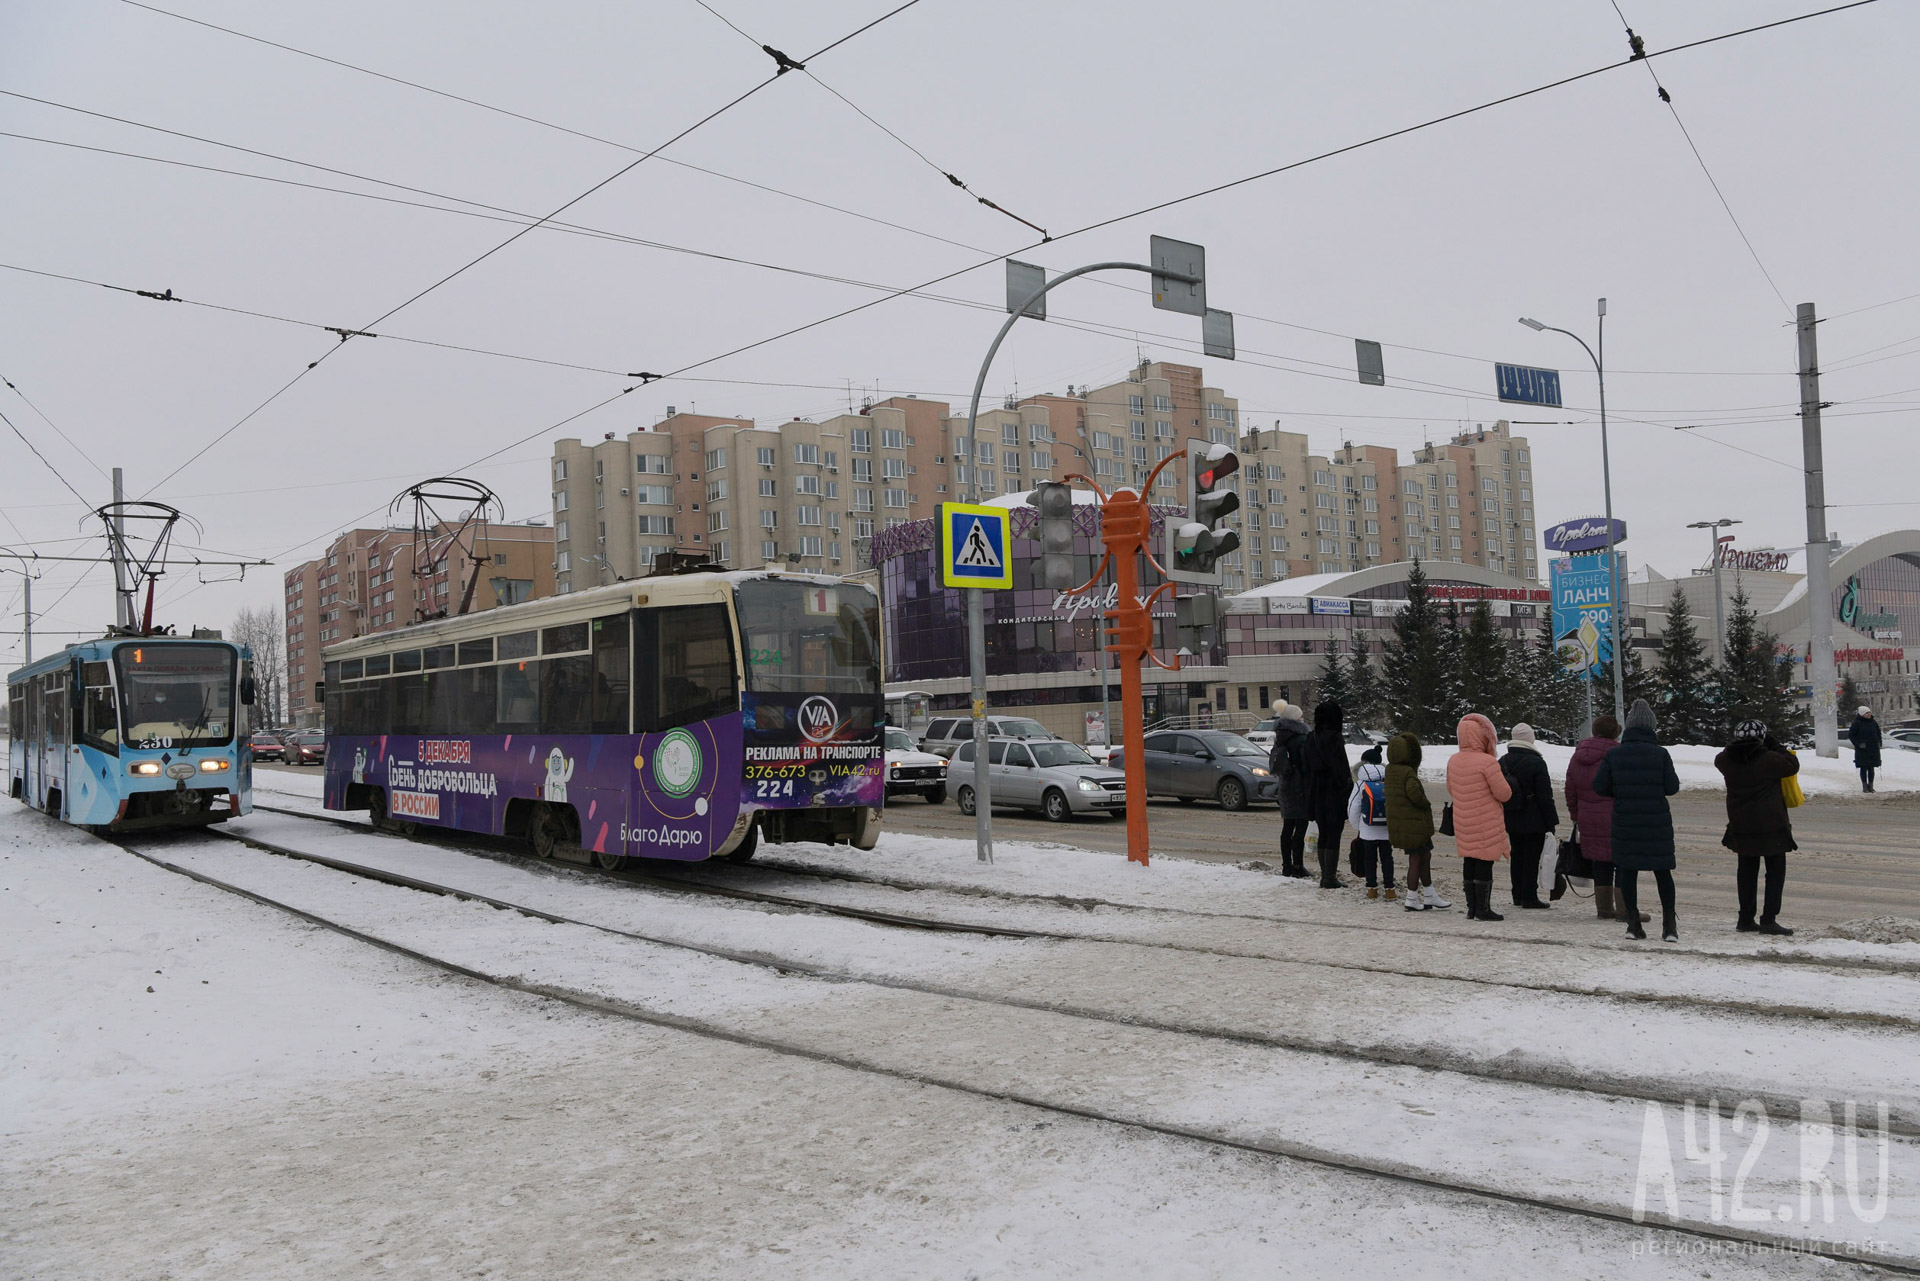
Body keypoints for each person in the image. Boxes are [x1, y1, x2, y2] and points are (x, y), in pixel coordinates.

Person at [1593, 699, 1682, 942]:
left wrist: (1621, 791)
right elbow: (1672, 787)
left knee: (1627, 872)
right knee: (1663, 873)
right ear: (1651, 727)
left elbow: (1599, 786)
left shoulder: (1614, 754)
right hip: (1657, 823)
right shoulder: (1661, 753)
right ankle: (1669, 927)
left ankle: (1633, 925)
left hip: (1625, 821)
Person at [1715, 720, 1799, 935]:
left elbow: (1722, 756)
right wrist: (1773, 743)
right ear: (1762, 738)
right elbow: (1792, 764)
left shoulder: (1725, 760)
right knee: (1775, 872)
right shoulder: (1769, 759)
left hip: (1741, 824)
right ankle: (1768, 919)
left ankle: (1745, 918)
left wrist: (1735, 744)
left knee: (1746, 871)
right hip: (1771, 824)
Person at [1565, 714, 1643, 924]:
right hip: (1616, 815)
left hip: (1587, 816)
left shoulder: (1578, 755)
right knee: (1621, 861)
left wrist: (1575, 814)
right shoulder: (1618, 754)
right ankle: (1625, 909)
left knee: (1600, 860)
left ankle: (1604, 909)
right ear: (1616, 733)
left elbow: (1570, 788)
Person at [1446, 713, 1512, 921]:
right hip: (1485, 820)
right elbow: (1504, 794)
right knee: (1484, 860)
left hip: (1463, 818)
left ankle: (1472, 908)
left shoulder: (1454, 760)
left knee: (1470, 859)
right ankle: (1483, 909)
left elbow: (1451, 788)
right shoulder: (1488, 762)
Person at [1386, 731, 1448, 911]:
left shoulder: (1390, 769)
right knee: (1417, 859)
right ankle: (1412, 897)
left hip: (1403, 824)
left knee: (1424, 856)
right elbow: (1414, 794)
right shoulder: (1408, 772)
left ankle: (1429, 895)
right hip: (1414, 824)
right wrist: (1425, 803)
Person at [1500, 723, 1559, 910]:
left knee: (1517, 854)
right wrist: (1551, 821)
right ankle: (1529, 896)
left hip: (1511, 814)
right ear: (1530, 739)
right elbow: (1545, 795)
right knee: (1531, 857)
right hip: (1534, 818)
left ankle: (1517, 894)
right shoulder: (1536, 762)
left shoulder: (1502, 761)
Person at [1302, 701, 1353, 889]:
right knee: (1334, 833)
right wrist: (1347, 787)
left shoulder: (1310, 738)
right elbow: (1341, 769)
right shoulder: (1335, 738)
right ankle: (1329, 877)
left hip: (1316, 791)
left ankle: (1326, 875)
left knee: (1323, 832)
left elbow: (1305, 767)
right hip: (1333, 792)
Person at [1268, 703, 1313, 878]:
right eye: (1300, 716)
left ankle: (1286, 866)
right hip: (1300, 786)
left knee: (1287, 827)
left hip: (1285, 785)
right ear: (1296, 719)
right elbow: (1305, 765)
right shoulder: (1301, 738)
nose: (1303, 719)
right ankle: (1298, 866)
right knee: (1300, 827)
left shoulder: (1280, 736)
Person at [1347, 745, 1395, 901]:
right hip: (1386, 829)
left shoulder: (1361, 783)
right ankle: (1389, 889)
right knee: (1387, 859)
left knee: (1370, 859)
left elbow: (1353, 807)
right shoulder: (1388, 780)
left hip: (1368, 829)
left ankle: (1372, 889)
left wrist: (1359, 826)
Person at [1848, 705, 1882, 794]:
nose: (1868, 714)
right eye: (1866, 713)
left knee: (1871, 768)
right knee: (1863, 768)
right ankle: (1864, 786)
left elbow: (1878, 733)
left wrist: (1879, 743)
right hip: (1862, 750)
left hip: (1873, 749)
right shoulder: (1857, 723)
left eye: (1869, 712)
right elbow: (1851, 735)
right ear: (1862, 714)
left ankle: (1871, 786)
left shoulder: (1873, 722)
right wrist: (1858, 744)